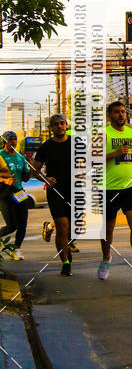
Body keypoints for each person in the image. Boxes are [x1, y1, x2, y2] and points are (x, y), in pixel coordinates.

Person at [99, 101, 132, 280]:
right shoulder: (103, 134)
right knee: (108, 229)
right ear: (109, 115)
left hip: (131, 186)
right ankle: (106, 259)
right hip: (108, 187)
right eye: (117, 112)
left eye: (123, 112)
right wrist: (115, 154)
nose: (121, 115)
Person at [30, 114, 73, 275]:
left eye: (62, 123)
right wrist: (46, 178)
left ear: (66, 125)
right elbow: (35, 170)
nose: (60, 126)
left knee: (73, 228)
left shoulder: (76, 143)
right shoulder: (45, 147)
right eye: (56, 124)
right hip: (56, 191)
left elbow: (88, 162)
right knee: (62, 226)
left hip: (75, 190)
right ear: (51, 128)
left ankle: (66, 248)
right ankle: (66, 262)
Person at [0, 131, 31, 260]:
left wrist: (29, 168)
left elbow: (25, 178)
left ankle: (16, 249)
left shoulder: (20, 157)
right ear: (5, 142)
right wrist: (4, 180)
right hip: (4, 193)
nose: (13, 142)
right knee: (11, 225)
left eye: (15, 140)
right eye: (10, 140)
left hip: (19, 192)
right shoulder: (0, 156)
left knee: (23, 223)